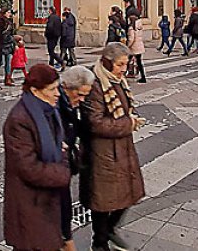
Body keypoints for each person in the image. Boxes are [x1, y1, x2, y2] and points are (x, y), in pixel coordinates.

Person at [82, 42, 145, 251]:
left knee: (128, 194)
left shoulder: (117, 80)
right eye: (120, 65)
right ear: (108, 62)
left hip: (121, 147)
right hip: (102, 152)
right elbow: (95, 122)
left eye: (125, 64)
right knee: (103, 201)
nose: (123, 69)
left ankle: (109, 229)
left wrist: (130, 118)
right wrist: (128, 123)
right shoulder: (95, 84)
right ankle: (99, 243)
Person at [2, 64, 71, 251]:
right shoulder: (19, 120)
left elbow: (60, 144)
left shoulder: (49, 111)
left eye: (58, 87)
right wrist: (64, 170)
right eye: (52, 89)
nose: (57, 94)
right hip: (29, 202)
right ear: (34, 90)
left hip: (45, 200)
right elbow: (28, 168)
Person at [57, 66, 94, 251]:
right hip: (55, 168)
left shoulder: (71, 105)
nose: (82, 100)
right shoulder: (56, 105)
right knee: (61, 206)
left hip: (64, 165)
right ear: (66, 87)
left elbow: (79, 127)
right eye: (79, 94)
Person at [127, 13, 147, 83]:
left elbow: (131, 39)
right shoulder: (139, 28)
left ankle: (121, 76)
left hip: (133, 47)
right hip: (139, 46)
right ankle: (143, 76)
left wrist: (127, 46)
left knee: (127, 61)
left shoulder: (131, 28)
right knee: (139, 62)